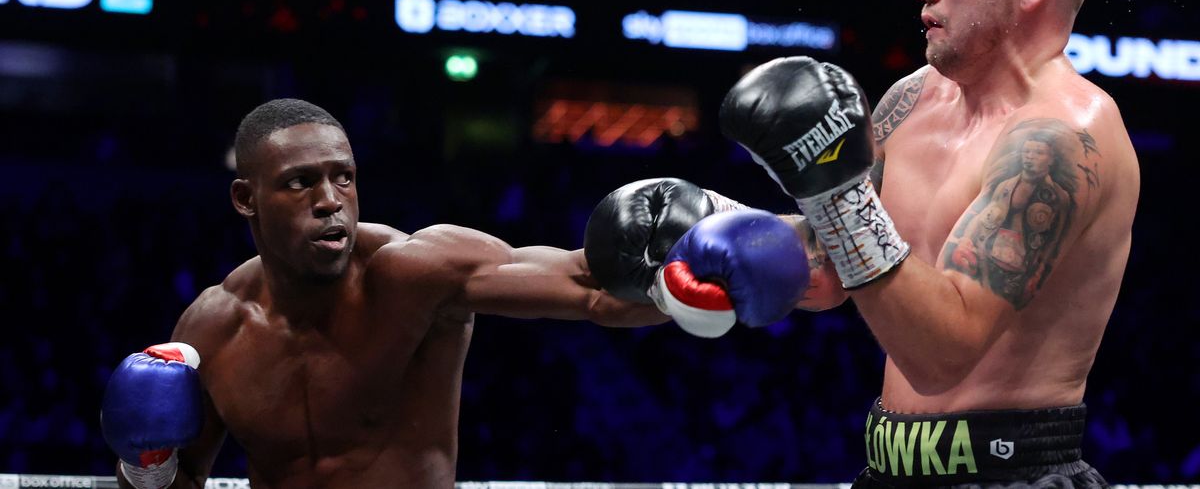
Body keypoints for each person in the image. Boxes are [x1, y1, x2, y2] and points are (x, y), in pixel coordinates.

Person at [99, 98, 809, 489]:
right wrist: (144, 465)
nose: (331, 200)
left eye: (343, 177)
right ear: (244, 198)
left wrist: (696, 273)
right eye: (300, 183)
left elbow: (589, 287)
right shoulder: (212, 329)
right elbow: (178, 485)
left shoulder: (415, 272)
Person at [717, 0, 1139, 487]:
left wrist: (832, 190)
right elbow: (832, 267)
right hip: (884, 468)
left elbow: (943, 353)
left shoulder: (1063, 138)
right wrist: (706, 221)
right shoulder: (912, 99)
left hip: (1013, 474)